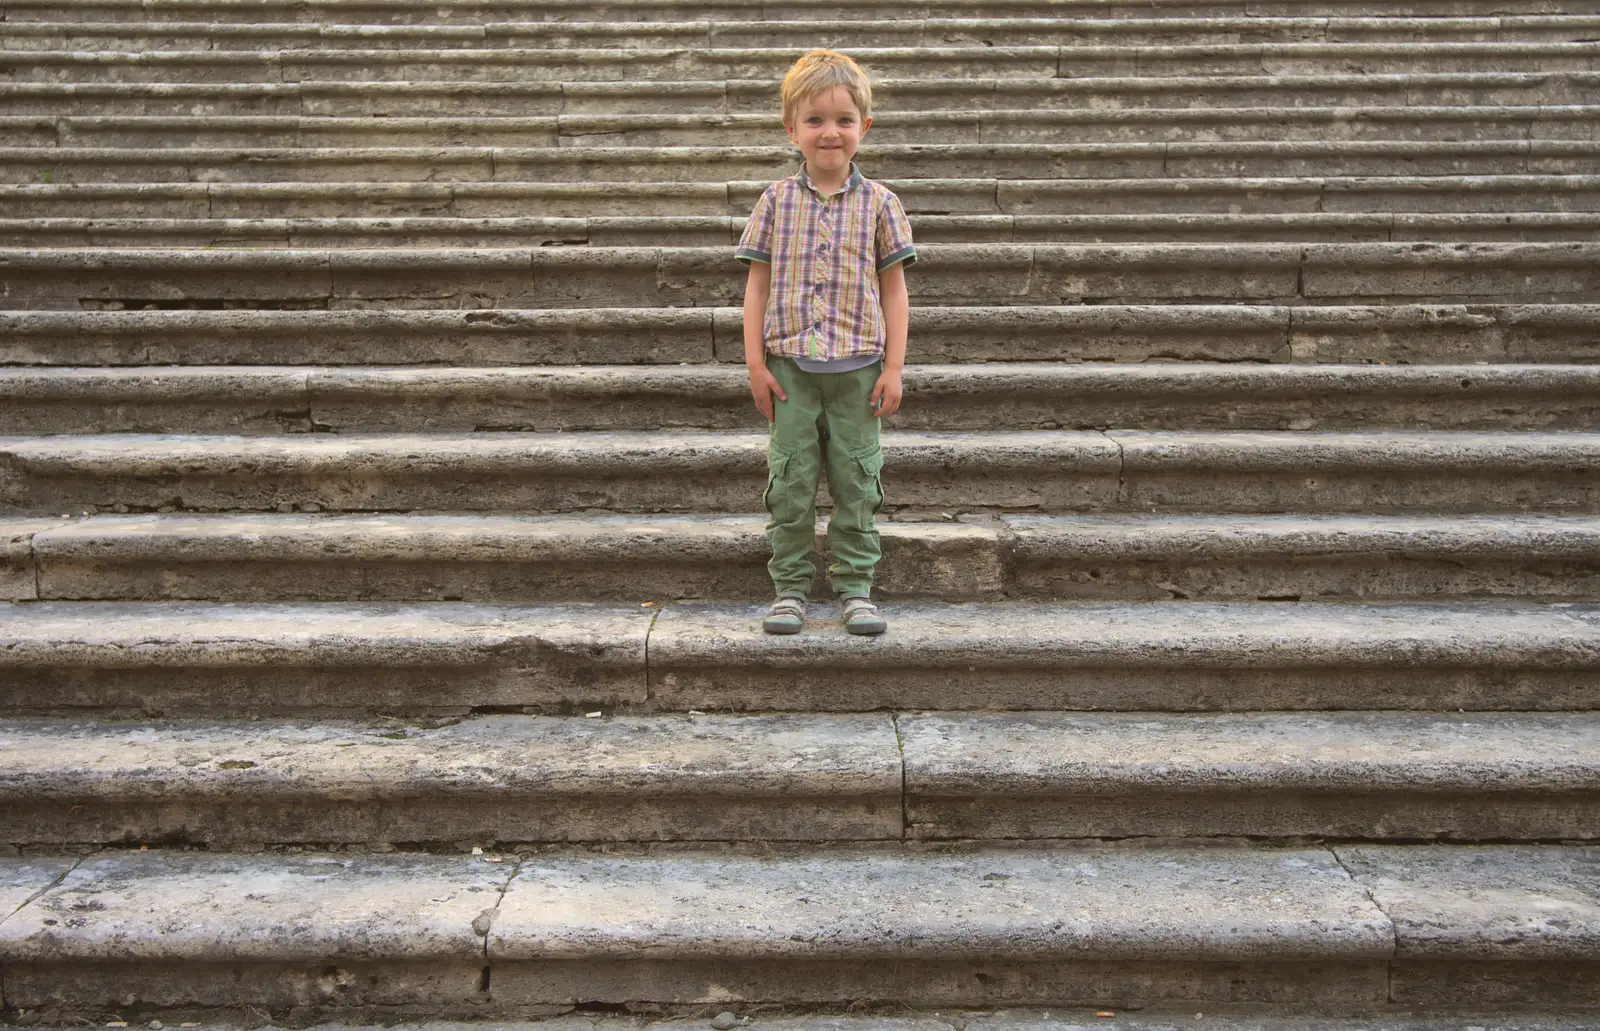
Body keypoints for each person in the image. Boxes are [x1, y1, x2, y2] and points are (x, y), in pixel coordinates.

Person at [735, 48, 916, 636]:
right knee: (789, 480)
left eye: (842, 120)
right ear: (792, 129)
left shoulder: (882, 205)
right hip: (789, 371)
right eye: (814, 120)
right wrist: (756, 363)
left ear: (864, 126)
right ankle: (789, 587)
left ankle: (855, 585)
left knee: (857, 480)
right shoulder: (775, 202)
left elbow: (894, 291)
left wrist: (893, 367)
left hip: (860, 373)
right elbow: (756, 286)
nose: (829, 132)